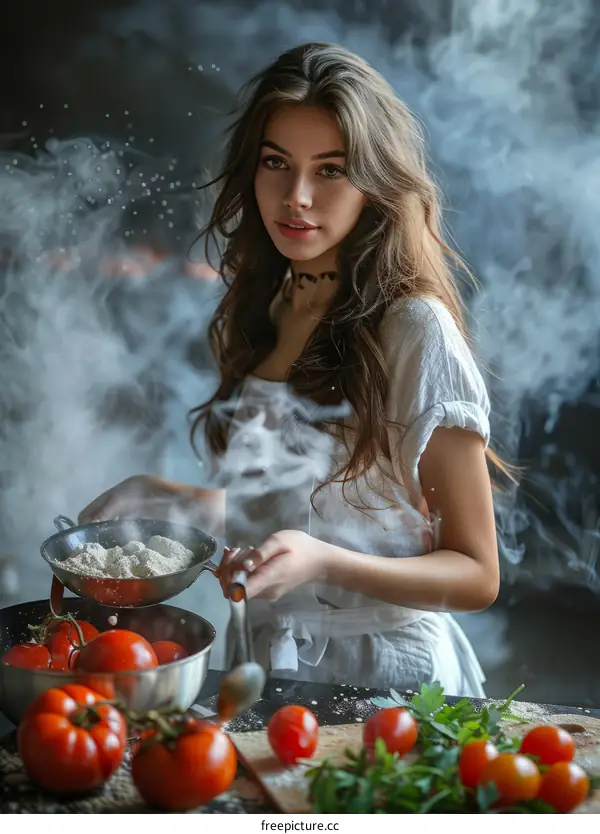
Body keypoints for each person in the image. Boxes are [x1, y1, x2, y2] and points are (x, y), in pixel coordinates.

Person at [79, 42, 508, 697]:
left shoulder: (414, 327)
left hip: (390, 685)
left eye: (330, 170)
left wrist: (321, 564)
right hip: (268, 672)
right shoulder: (271, 301)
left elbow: (478, 574)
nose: (297, 197)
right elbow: (316, 505)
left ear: (377, 185)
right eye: (276, 163)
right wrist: (178, 504)